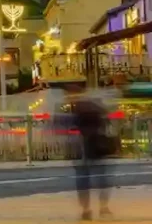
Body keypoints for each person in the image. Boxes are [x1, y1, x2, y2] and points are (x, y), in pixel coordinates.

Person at [66, 86, 115, 220]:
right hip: (97, 148)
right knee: (102, 179)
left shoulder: (77, 111)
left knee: (83, 180)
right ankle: (103, 207)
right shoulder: (97, 110)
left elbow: (71, 127)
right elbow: (107, 124)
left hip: (83, 150)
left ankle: (86, 209)